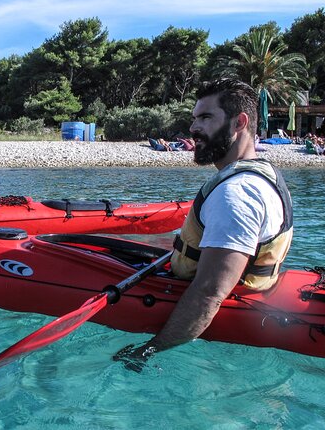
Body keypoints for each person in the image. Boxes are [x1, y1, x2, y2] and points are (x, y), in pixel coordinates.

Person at [114, 79, 293, 372]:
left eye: (206, 117)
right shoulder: (259, 175)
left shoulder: (237, 194)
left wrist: (148, 351)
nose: (194, 128)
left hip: (227, 314)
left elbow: (209, 293)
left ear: (239, 122)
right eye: (195, 118)